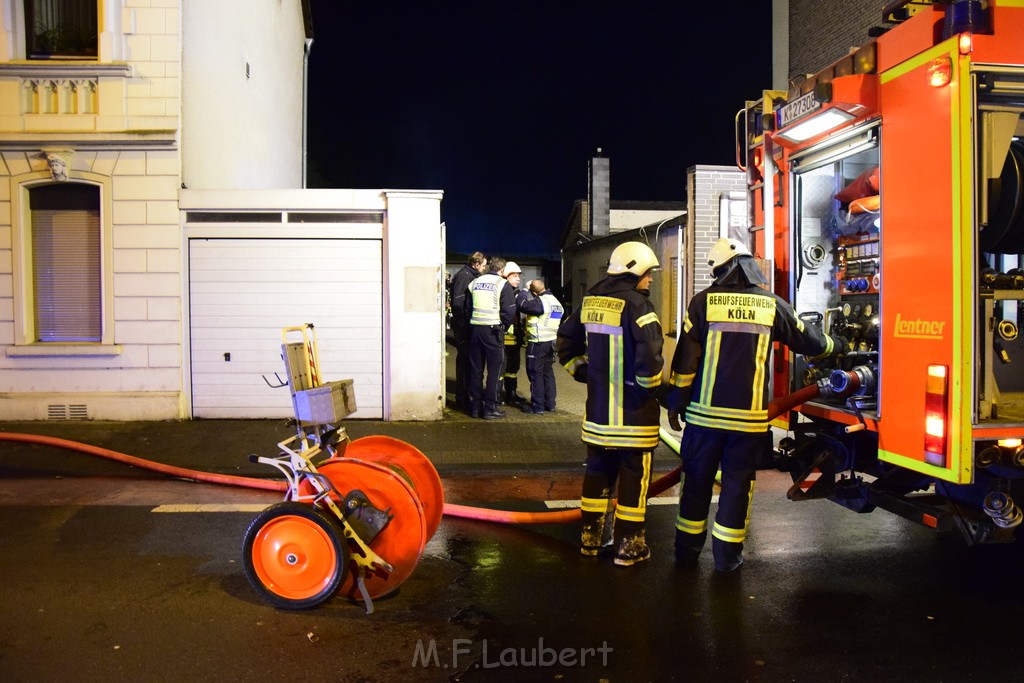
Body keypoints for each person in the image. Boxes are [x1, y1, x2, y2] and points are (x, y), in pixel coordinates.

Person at [667, 237, 847, 572]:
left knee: (695, 484)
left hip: (704, 420)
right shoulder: (770, 304)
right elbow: (808, 339)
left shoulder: (702, 303)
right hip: (747, 424)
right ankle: (727, 560)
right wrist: (838, 344)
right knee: (736, 487)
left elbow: (686, 361)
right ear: (749, 267)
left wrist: (676, 402)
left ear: (720, 270)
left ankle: (686, 554)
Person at [557, 241, 664, 566]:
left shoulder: (591, 302)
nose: (652, 279)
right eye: (649, 273)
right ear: (635, 272)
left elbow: (565, 342)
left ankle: (591, 541)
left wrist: (584, 373)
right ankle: (629, 549)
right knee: (633, 481)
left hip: (599, 417)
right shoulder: (639, 307)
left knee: (597, 477)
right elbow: (650, 362)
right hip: (633, 418)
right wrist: (652, 392)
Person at [466, 256, 517, 419]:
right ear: (502, 270)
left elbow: (467, 307)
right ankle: (490, 408)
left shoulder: (474, 283)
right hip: (493, 332)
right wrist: (502, 327)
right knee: (495, 371)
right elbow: (509, 312)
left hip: (475, 331)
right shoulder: (503, 284)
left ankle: (474, 408)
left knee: (475, 371)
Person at [517, 278, 564, 414]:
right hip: (551, 343)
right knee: (547, 373)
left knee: (535, 373)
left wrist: (525, 290)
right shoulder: (556, 302)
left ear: (534, 292)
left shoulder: (540, 302)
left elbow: (521, 304)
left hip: (538, 342)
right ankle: (550, 404)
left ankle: (537, 406)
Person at [450, 252, 487, 412]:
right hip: (464, 326)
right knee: (464, 362)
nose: (484, 268)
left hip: (466, 325)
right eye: (484, 265)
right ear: (476, 264)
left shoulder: (469, 275)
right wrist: (466, 320)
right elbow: (458, 303)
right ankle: (462, 398)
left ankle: (465, 395)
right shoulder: (464, 276)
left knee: (468, 362)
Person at [499, 262, 526, 407]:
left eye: (518, 277)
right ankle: (497, 395)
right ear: (506, 276)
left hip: (514, 338)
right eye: (514, 276)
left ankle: (511, 394)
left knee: (513, 368)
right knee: (500, 367)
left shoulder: (517, 292)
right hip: (502, 337)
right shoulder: (503, 291)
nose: (518, 279)